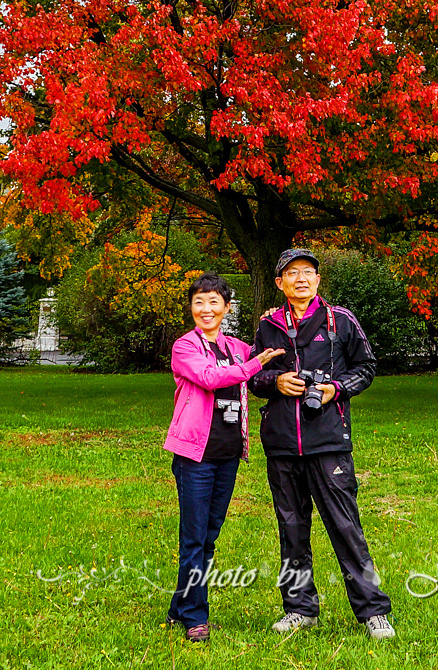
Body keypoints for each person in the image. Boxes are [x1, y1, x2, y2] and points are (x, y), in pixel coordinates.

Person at [248, 248, 396, 640]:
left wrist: (335, 388)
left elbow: (366, 368)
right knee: (291, 528)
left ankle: (373, 613)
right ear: (279, 283)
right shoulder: (268, 326)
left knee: (346, 527)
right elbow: (252, 375)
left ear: (317, 280)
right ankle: (299, 609)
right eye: (292, 273)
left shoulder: (341, 320)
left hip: (329, 439)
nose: (301, 279)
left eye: (308, 272)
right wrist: (276, 382)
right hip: (281, 442)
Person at [161, 273, 285, 643]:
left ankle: (178, 608)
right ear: (191, 308)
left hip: (228, 454)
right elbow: (210, 378)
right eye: (199, 302)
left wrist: (271, 319)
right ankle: (196, 618)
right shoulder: (185, 347)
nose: (206, 309)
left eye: (214, 302)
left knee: (208, 537)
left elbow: (269, 350)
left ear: (227, 308)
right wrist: (253, 366)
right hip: (195, 457)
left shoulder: (236, 346)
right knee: (194, 539)